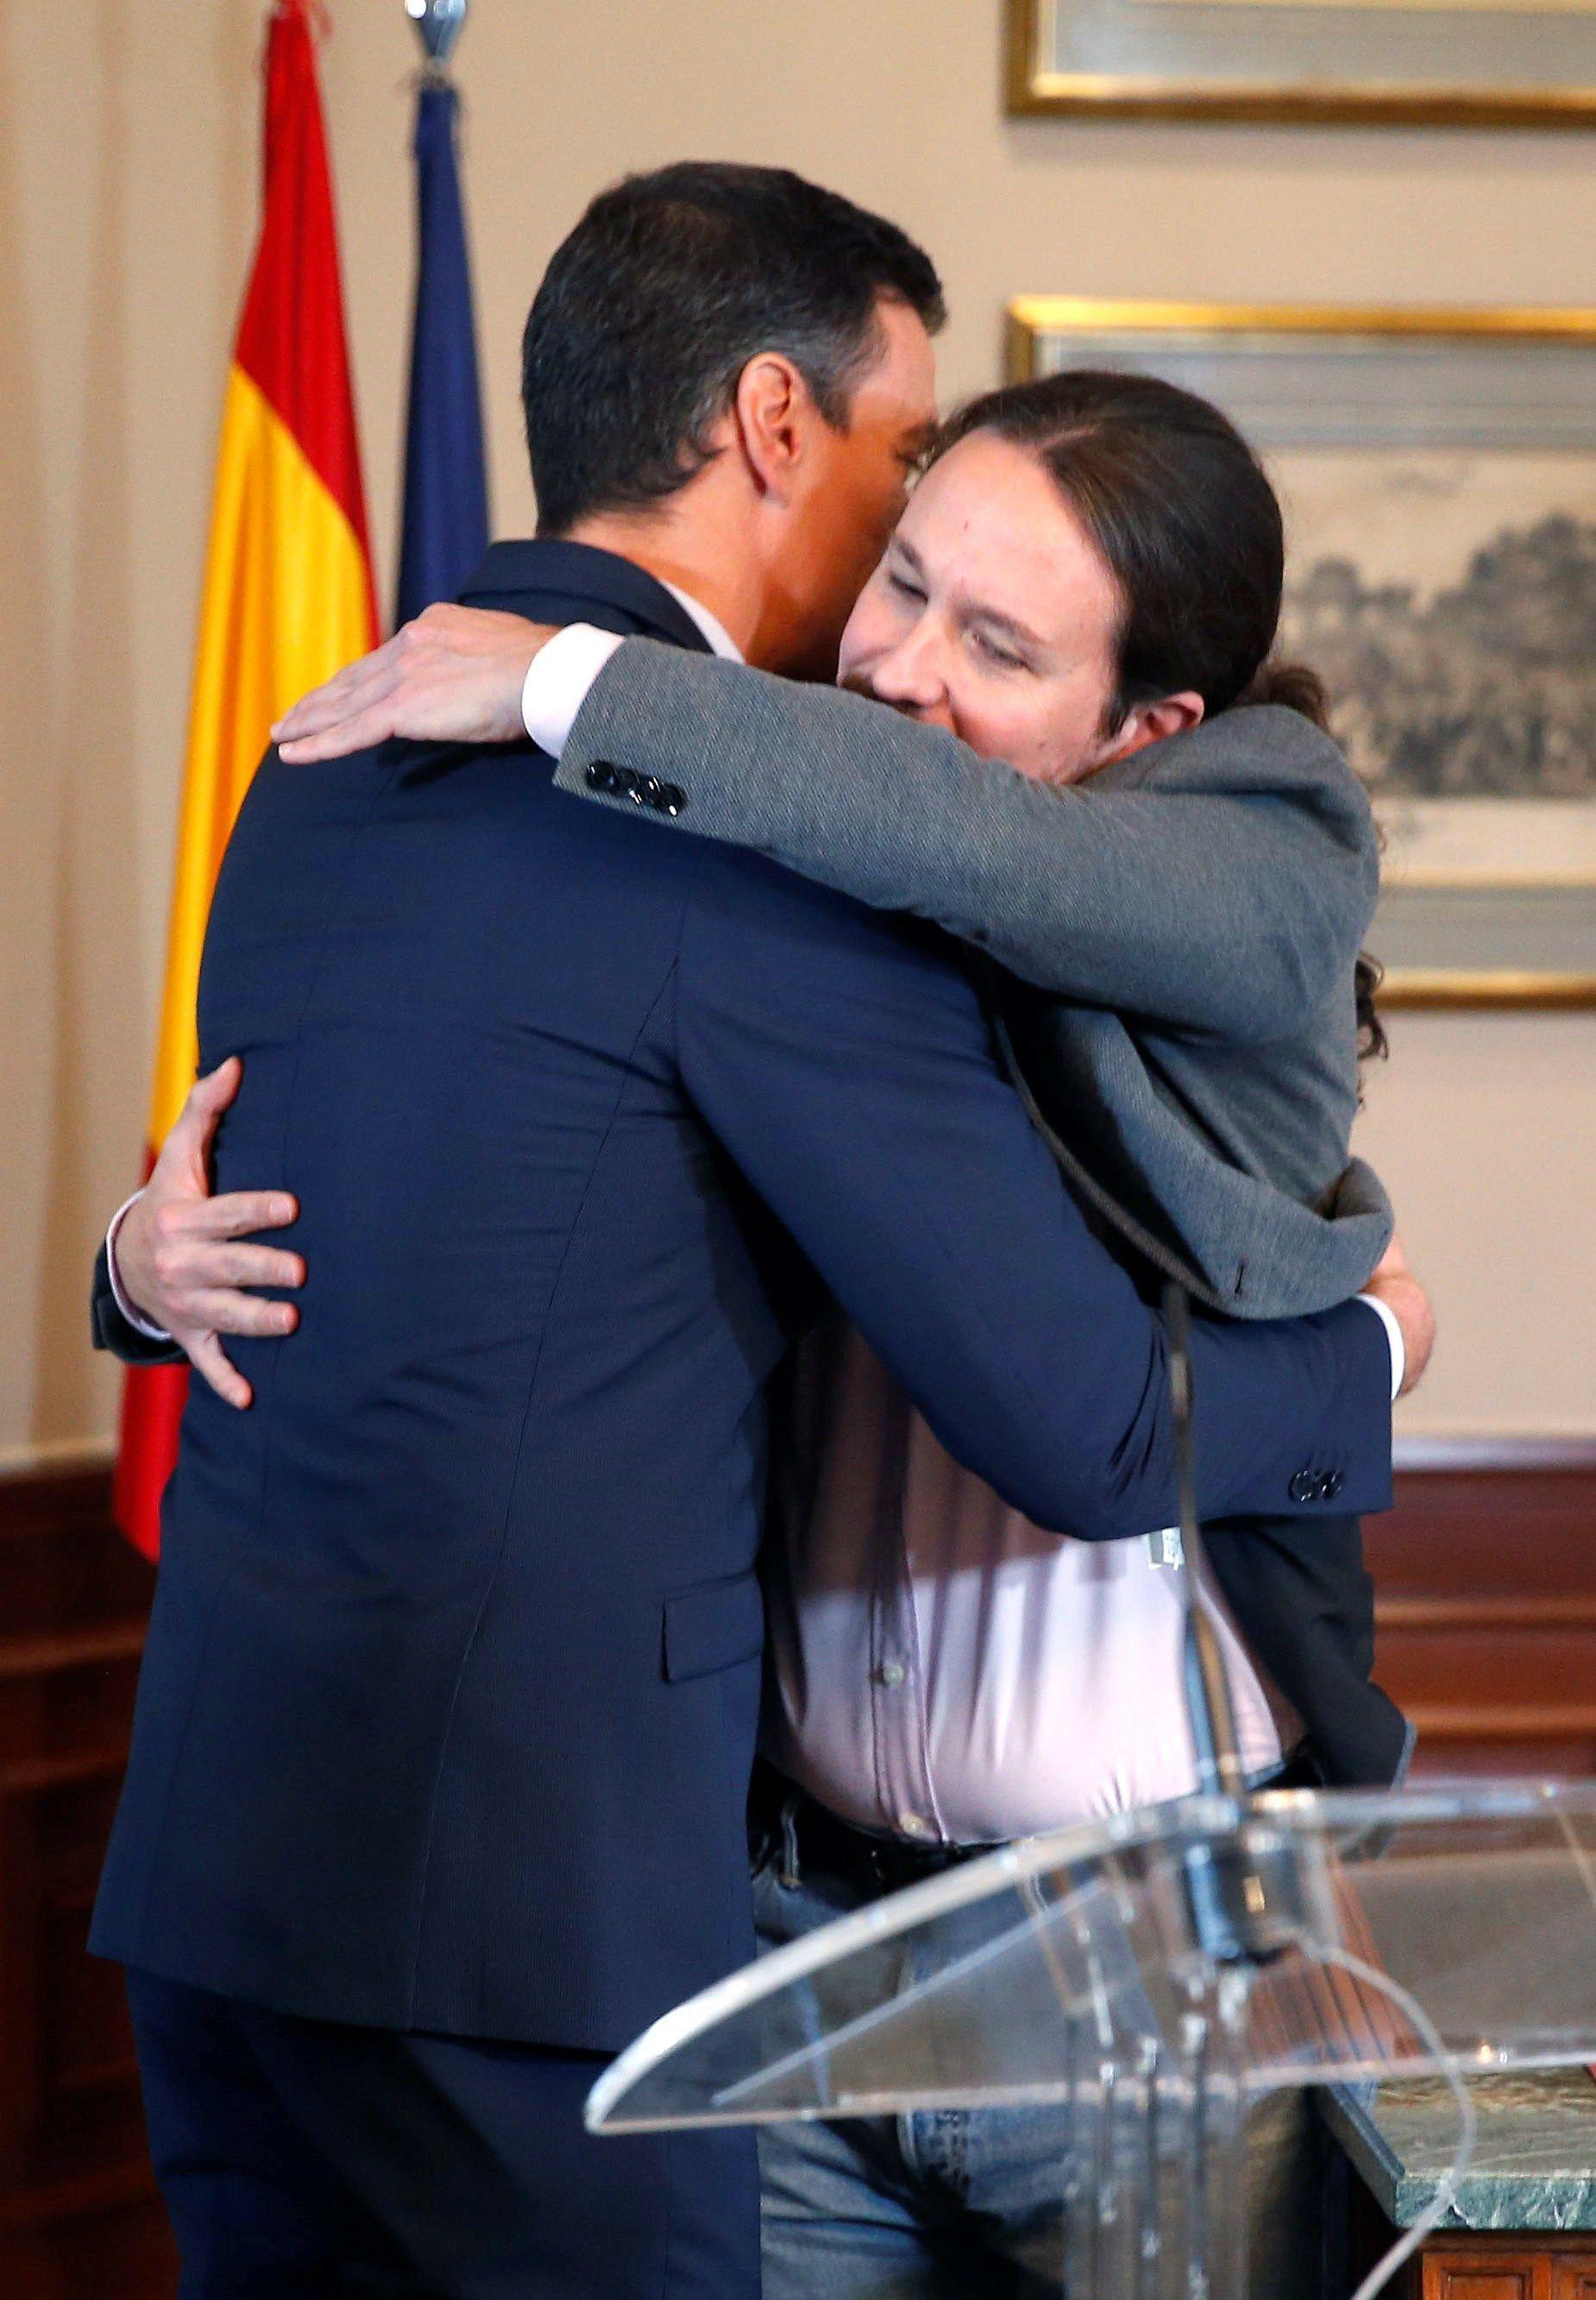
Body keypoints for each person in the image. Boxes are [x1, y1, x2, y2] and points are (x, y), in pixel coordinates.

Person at [93, 166, 1425, 2300]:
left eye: (997, 640)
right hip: (568, 1929)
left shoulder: (334, 743)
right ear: (780, 429)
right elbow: (1079, 1421)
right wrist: (1371, 1357)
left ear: (1148, 726)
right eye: (901, 515)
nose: (897, 664)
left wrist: (127, 1274)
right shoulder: (739, 835)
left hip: (238, 1864)